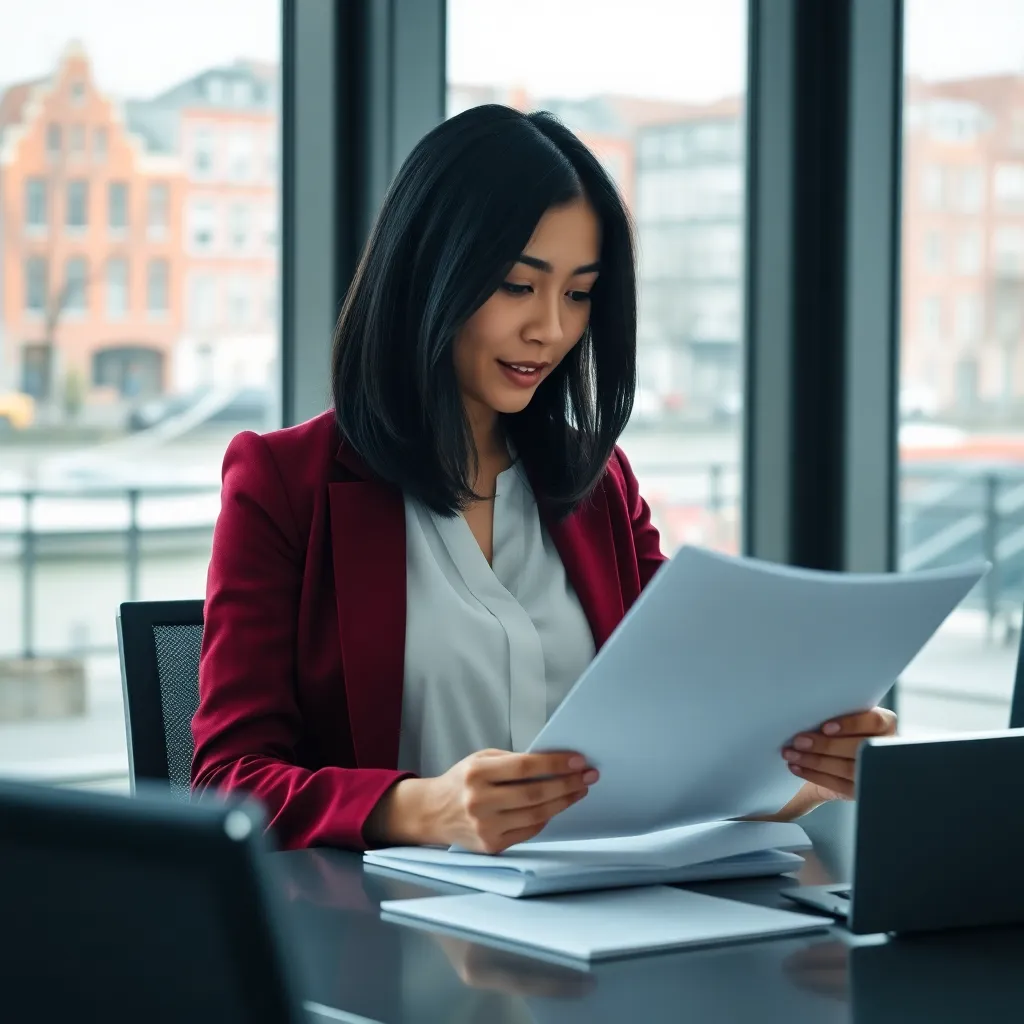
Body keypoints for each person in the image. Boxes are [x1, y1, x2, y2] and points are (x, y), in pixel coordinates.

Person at [191, 104, 896, 854]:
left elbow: (690, 737)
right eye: (518, 287)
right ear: (430, 270)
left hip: (599, 925)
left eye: (578, 293)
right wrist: (421, 808)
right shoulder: (283, 483)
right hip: (384, 933)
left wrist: (813, 765)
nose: (552, 330)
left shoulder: (599, 485)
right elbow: (228, 779)